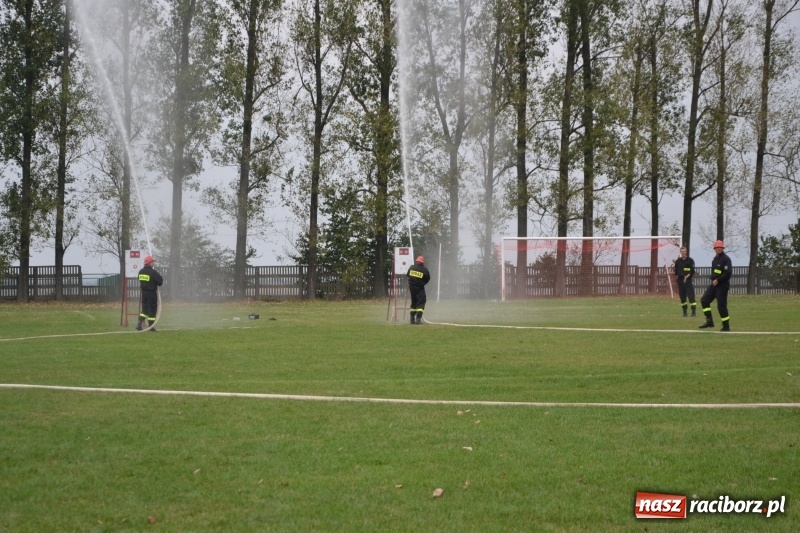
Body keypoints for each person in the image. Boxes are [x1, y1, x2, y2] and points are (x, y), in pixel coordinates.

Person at [699, 240, 732, 332]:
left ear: (723, 248)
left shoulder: (726, 259)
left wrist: (718, 280)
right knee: (704, 300)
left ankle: (726, 326)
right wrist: (713, 279)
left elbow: (728, 273)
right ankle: (709, 321)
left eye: (720, 247)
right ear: (715, 248)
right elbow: (714, 272)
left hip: (722, 285)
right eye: (717, 247)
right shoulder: (715, 259)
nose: (719, 249)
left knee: (721, 305)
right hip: (714, 284)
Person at [137, 255, 163, 331]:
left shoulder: (141, 271)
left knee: (144, 309)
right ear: (149, 263)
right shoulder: (153, 272)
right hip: (151, 294)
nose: (153, 263)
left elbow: (140, 278)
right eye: (152, 262)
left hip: (144, 293)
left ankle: (139, 323)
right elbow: (160, 282)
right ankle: (151, 326)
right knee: (152, 309)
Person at [407, 255, 430, 325]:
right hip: (420, 288)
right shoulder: (424, 270)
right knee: (421, 301)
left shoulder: (411, 267)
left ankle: (412, 320)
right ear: (422, 262)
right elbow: (427, 279)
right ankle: (418, 319)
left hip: (411, 287)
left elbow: (408, 275)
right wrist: (422, 283)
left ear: (416, 261)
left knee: (413, 302)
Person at [674, 246, 697, 317]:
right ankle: (684, 312)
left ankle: (693, 312)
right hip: (681, 281)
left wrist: (688, 276)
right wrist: (678, 278)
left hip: (688, 280)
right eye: (682, 251)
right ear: (680, 252)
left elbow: (692, 270)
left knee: (691, 297)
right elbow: (676, 272)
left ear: (686, 252)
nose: (683, 253)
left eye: (684, 251)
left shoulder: (690, 260)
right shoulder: (678, 261)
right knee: (682, 297)